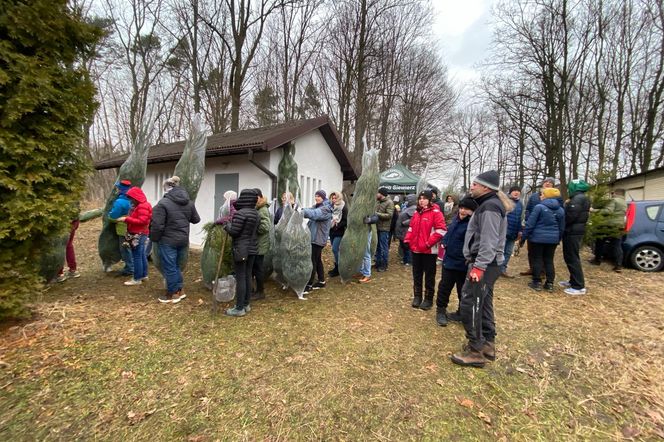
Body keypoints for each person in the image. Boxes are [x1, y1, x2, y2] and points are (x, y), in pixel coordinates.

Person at [451, 170, 511, 368]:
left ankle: (476, 351)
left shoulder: (490, 207)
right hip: (488, 263)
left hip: (484, 264)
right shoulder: (488, 205)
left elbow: (489, 240)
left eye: (475, 184)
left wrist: (479, 266)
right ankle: (487, 344)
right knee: (483, 303)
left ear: (486, 187)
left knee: (471, 303)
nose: (471, 186)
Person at [150, 176, 201, 303]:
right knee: (176, 266)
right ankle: (179, 290)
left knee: (170, 266)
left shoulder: (162, 204)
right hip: (183, 239)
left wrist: (154, 238)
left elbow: (157, 225)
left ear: (166, 189)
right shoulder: (188, 202)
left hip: (168, 240)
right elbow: (196, 219)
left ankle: (172, 294)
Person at [435, 197, 477, 326]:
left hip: (463, 263)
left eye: (466, 209)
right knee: (444, 287)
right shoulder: (455, 220)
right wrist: (444, 243)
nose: (463, 211)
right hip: (449, 261)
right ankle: (441, 311)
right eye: (461, 208)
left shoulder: (473, 225)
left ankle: (461, 312)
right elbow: (448, 235)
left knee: (462, 290)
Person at [404, 189, 446, 310]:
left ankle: (428, 299)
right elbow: (411, 228)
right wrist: (407, 240)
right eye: (420, 199)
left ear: (430, 200)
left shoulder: (436, 213)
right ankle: (417, 296)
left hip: (429, 251)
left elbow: (441, 230)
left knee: (429, 276)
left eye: (424, 198)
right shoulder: (417, 213)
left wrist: (428, 243)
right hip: (416, 250)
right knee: (416, 274)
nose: (422, 201)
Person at [223, 189, 259, 317]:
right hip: (253, 249)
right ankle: (246, 304)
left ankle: (239, 308)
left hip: (241, 249)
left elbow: (235, 232)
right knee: (248, 276)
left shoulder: (240, 214)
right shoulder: (255, 213)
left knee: (241, 278)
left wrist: (227, 226)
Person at [521, 188, 565, 292]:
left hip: (537, 238)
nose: (540, 196)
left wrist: (524, 237)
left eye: (542, 194)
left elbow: (530, 224)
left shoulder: (539, 207)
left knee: (537, 259)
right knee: (549, 260)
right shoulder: (561, 210)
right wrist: (557, 238)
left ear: (546, 196)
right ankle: (549, 283)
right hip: (553, 240)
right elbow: (562, 227)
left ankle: (537, 282)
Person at [521, 177, 559, 276]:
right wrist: (528, 219)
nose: (547, 183)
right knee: (531, 250)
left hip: (546, 227)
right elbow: (528, 209)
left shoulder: (556, 197)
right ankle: (532, 268)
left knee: (543, 253)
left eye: (550, 182)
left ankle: (541, 271)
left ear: (553, 185)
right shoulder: (534, 196)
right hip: (532, 226)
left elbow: (560, 213)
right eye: (546, 182)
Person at [561, 179, 591, 295]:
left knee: (572, 257)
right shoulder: (581, 198)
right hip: (574, 231)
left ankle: (578, 286)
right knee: (571, 257)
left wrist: (566, 207)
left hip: (573, 232)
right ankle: (573, 280)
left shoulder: (577, 199)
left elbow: (571, 216)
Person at [117, 187, 152, 286]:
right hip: (141, 233)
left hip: (138, 234)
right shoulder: (142, 205)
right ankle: (144, 275)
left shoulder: (142, 206)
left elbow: (142, 221)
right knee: (141, 255)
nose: (131, 200)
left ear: (136, 197)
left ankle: (137, 278)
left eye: (131, 198)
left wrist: (126, 219)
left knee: (136, 256)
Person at [303, 190, 333, 294]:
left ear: (323, 197)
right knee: (317, 260)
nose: (317, 198)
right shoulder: (317, 206)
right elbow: (309, 210)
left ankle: (309, 284)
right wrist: (299, 208)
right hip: (314, 238)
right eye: (315, 196)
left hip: (317, 239)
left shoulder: (325, 209)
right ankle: (321, 281)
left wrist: (301, 211)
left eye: (319, 196)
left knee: (312, 261)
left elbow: (314, 214)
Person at [590, 188, 627, 272]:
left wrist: (593, 210)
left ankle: (597, 260)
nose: (612, 194)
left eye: (613, 193)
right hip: (619, 226)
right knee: (617, 245)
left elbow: (608, 211)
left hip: (608, 225)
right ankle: (618, 265)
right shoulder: (624, 202)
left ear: (616, 193)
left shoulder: (613, 200)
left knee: (600, 242)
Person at [108, 179, 134, 276]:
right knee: (133, 247)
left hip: (123, 229)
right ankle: (134, 266)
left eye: (118, 188)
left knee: (125, 248)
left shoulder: (120, 202)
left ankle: (130, 268)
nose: (117, 190)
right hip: (134, 228)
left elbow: (112, 216)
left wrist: (109, 216)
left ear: (121, 189)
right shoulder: (133, 199)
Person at [251, 188, 271, 300]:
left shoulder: (263, 209)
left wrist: (253, 229)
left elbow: (265, 227)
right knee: (255, 268)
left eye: (255, 197)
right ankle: (256, 290)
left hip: (260, 245)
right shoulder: (258, 208)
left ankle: (260, 291)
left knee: (258, 269)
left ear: (259, 197)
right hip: (258, 244)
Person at [501, 186, 523, 278]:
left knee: (508, 252)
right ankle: (494, 269)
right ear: (510, 192)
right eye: (514, 191)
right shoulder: (504, 201)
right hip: (503, 231)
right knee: (499, 251)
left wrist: (520, 231)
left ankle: (503, 270)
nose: (516, 192)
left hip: (513, 233)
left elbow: (520, 219)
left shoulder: (520, 204)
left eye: (518, 191)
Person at [374, 187, 395, 272]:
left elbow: (389, 215)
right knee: (377, 247)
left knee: (384, 247)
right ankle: (378, 263)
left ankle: (384, 265)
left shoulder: (389, 202)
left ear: (381, 194)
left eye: (377, 193)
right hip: (377, 227)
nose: (376, 194)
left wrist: (376, 214)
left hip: (384, 229)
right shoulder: (378, 202)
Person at [328, 191, 348, 278]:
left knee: (335, 249)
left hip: (339, 231)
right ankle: (337, 267)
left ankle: (340, 268)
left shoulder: (343, 207)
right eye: (332, 198)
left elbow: (345, 220)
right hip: (331, 231)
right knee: (334, 250)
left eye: (335, 198)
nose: (334, 199)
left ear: (339, 197)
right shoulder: (330, 206)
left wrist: (337, 225)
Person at [56, 217, 81, 282]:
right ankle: (73, 269)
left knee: (59, 246)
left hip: (63, 221)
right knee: (68, 244)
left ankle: (59, 273)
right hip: (73, 220)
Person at [394, 194, 417, 266]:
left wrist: (404, 223)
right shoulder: (407, 207)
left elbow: (414, 219)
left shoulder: (414, 208)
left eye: (408, 200)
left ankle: (409, 261)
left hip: (406, 231)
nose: (406, 201)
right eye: (406, 200)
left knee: (407, 247)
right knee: (404, 247)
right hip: (402, 231)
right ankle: (405, 260)